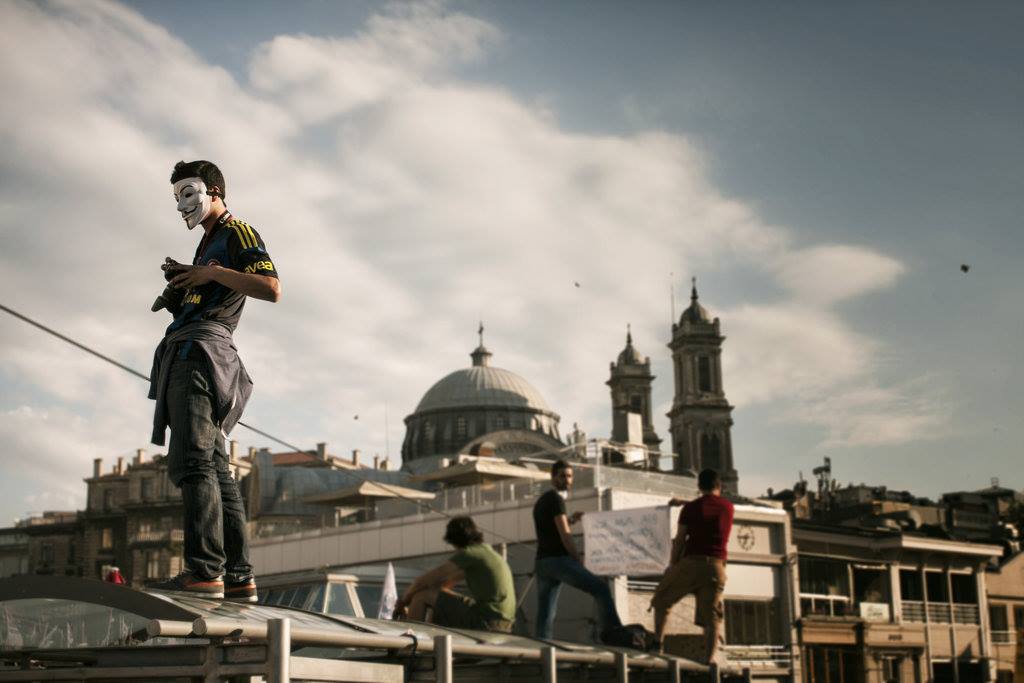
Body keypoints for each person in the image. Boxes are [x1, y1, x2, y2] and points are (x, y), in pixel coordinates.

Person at [148, 160, 280, 601]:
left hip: (200, 356)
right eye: (177, 196)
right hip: (201, 352)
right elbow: (219, 290)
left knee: (194, 463)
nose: (182, 204)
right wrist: (183, 288)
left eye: (188, 192)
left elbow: (270, 286)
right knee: (216, 468)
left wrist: (208, 273)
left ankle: (205, 572)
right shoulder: (208, 244)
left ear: (215, 191)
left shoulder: (236, 232)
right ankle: (239, 578)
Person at [650, 468, 734, 662]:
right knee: (712, 617)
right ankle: (709, 660)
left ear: (699, 486)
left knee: (662, 599)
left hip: (691, 563)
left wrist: (672, 565)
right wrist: (685, 503)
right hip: (716, 568)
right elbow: (710, 506)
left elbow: (680, 540)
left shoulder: (691, 509)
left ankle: (657, 645)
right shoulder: (728, 507)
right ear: (719, 486)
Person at [533, 459, 622, 640]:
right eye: (563, 476)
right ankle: (614, 634)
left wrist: (572, 520)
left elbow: (552, 529)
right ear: (553, 478)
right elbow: (565, 535)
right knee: (600, 589)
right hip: (558, 560)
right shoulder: (556, 500)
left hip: (543, 562)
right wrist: (577, 559)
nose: (567, 480)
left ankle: (542, 647)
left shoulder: (542, 501)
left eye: (570, 476)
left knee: (546, 613)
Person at [393, 516, 515, 632]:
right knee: (432, 595)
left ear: (455, 541)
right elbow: (443, 585)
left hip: (487, 621)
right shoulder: (487, 553)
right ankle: (428, 638)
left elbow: (423, 581)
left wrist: (403, 602)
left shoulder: (470, 554)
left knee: (422, 596)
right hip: (503, 622)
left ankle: (410, 645)